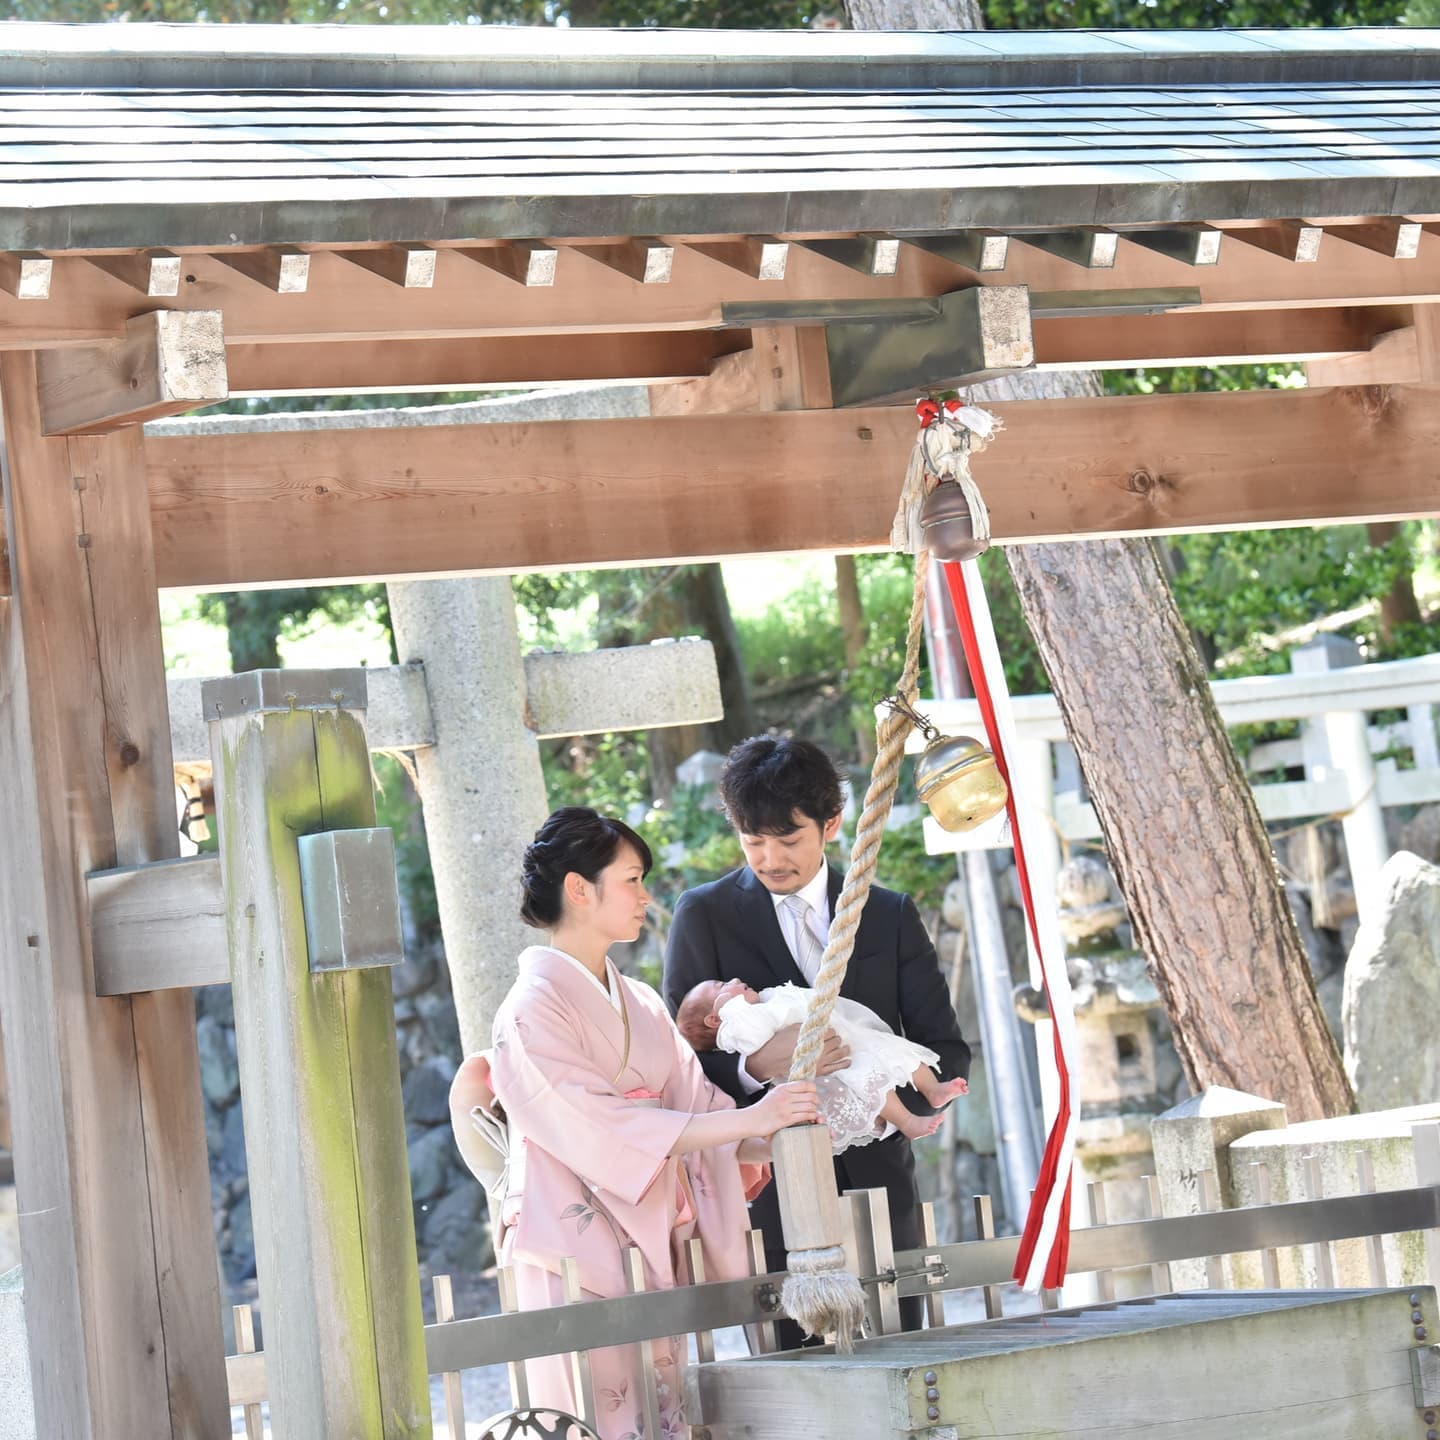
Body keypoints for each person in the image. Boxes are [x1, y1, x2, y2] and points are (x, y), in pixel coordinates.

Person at [450, 806, 818, 1440]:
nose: (646, 896)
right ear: (578, 888)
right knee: (593, 1415)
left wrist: (782, 1135)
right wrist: (751, 1122)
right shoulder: (528, 1010)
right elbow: (604, 1126)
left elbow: (702, 1114)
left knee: (663, 1408)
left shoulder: (643, 1002)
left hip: (648, 1238)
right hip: (573, 1242)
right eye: (631, 879)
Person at [662, 736, 970, 1342]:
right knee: (793, 1375)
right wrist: (760, 1068)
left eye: (789, 839)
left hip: (878, 1186)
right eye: (754, 842)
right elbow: (682, 1061)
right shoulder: (703, 915)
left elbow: (946, 1047)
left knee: (901, 1361)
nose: (771, 858)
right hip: (771, 1189)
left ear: (830, 824)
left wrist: (875, 1101)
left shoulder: (887, 915)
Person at [676, 977, 968, 1149]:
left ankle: (932, 1089)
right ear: (715, 1019)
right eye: (720, 986)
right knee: (868, 1076)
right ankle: (906, 1120)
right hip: (832, 1071)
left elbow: (945, 1040)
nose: (731, 981)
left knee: (898, 1052)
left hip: (849, 1035)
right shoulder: (736, 1024)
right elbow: (693, 1064)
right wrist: (758, 1062)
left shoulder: (893, 911)